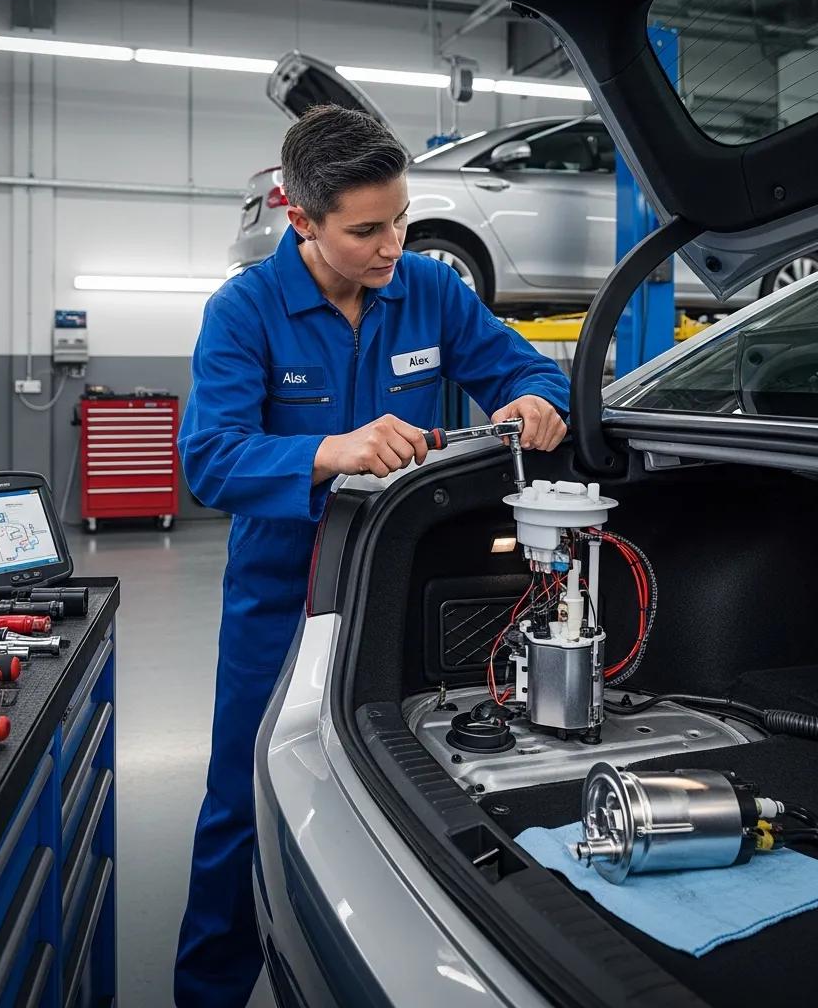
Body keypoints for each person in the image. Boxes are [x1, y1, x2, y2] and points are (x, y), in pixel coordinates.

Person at [175, 104, 569, 1007]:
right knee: (242, 804)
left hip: (405, 588)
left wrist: (535, 399)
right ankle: (208, 991)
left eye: (399, 218)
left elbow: (522, 369)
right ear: (300, 217)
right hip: (283, 598)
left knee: (410, 779)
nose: (394, 243)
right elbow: (210, 457)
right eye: (367, 229)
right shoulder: (245, 310)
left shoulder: (430, 288)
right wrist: (329, 450)